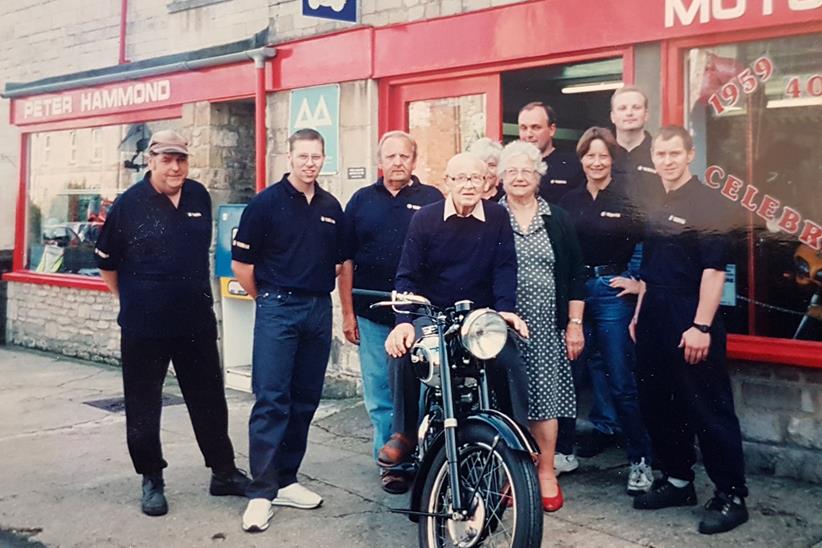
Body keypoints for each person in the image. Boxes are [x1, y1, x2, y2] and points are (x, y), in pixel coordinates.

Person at [94, 129, 250, 517]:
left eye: (180, 159)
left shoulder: (199, 196)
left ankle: (223, 472)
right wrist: (131, 300)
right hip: (144, 326)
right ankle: (151, 478)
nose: (175, 166)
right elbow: (107, 265)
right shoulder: (128, 205)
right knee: (144, 405)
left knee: (210, 400)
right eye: (167, 159)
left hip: (195, 321)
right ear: (151, 160)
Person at [376, 152, 530, 469]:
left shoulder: (497, 218)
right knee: (405, 348)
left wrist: (505, 311)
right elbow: (407, 274)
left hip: (478, 316)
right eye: (460, 178)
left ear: (486, 183)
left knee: (508, 351)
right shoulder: (425, 219)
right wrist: (404, 320)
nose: (468, 184)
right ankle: (403, 433)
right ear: (447, 182)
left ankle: (517, 441)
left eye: (475, 178)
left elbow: (505, 268)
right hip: (434, 313)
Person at [630, 126, 749, 535]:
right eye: (660, 153)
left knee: (707, 407)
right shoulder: (656, 201)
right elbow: (649, 270)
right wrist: (637, 315)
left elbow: (714, 272)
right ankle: (678, 481)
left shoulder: (709, 203)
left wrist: (701, 326)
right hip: (653, 316)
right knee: (659, 403)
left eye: (674, 153)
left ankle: (731, 495)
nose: (667, 160)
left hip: (691, 315)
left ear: (690, 154)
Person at [231, 128, 345, 533]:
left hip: (317, 309)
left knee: (304, 400)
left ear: (323, 158)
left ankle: (286, 480)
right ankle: (261, 493)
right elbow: (242, 266)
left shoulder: (332, 205)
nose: (310, 163)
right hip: (278, 306)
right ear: (290, 157)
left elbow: (338, 262)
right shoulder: (265, 204)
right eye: (303, 156)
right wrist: (269, 299)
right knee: (272, 400)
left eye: (316, 156)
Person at [338, 131, 442, 494]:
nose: (397, 162)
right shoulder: (361, 200)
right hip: (372, 314)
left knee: (422, 390)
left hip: (417, 318)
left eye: (404, 155)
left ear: (414, 161)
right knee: (381, 392)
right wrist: (348, 313)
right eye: (390, 156)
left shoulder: (432, 200)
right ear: (380, 161)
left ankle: (424, 457)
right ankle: (392, 464)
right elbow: (345, 261)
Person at [558, 127, 654, 496]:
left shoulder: (628, 199)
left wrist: (637, 280)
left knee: (620, 379)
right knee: (569, 373)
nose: (596, 162)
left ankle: (639, 461)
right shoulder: (569, 200)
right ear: (581, 159)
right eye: (589, 156)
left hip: (613, 293)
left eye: (603, 156)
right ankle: (564, 452)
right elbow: (562, 253)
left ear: (612, 159)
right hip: (576, 293)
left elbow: (650, 243)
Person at [497, 140, 586, 512]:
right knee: (504, 401)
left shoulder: (558, 218)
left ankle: (545, 471)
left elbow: (575, 275)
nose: (519, 177)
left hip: (547, 326)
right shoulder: (489, 215)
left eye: (527, 171)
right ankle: (507, 472)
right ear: (501, 177)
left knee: (545, 402)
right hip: (499, 329)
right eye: (512, 171)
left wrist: (574, 324)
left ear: (539, 177)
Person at [518, 102, 585, 204]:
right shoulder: (511, 166)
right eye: (524, 128)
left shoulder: (573, 166)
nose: (529, 134)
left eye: (535, 127)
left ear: (552, 130)